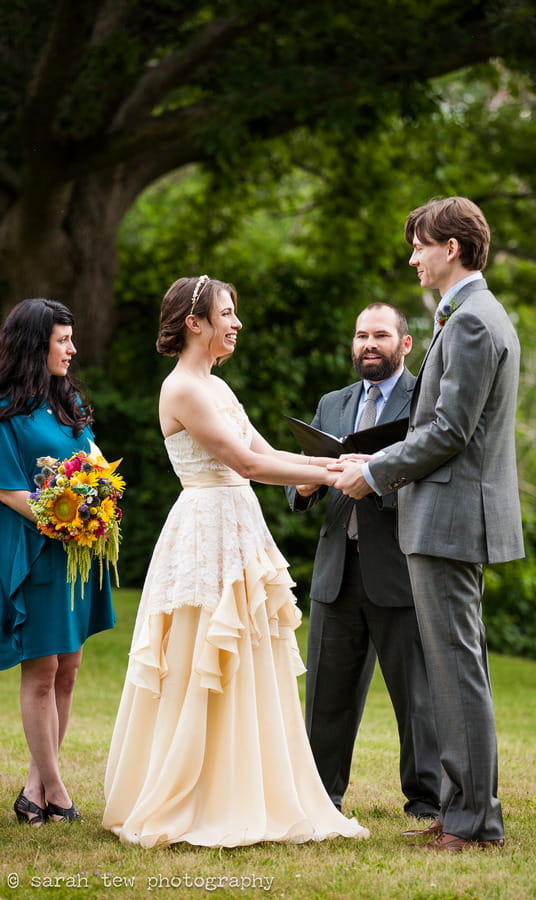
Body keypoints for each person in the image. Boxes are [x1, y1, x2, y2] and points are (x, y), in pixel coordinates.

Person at [102, 275, 368, 848]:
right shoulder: (184, 389)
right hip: (204, 531)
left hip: (238, 525)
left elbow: (266, 452)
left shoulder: (217, 388)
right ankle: (196, 795)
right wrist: (334, 473)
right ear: (194, 323)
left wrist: (336, 464)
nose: (237, 323)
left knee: (245, 652)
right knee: (202, 653)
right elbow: (245, 463)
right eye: (227, 312)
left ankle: (244, 785)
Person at [332, 197, 524, 852]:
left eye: (420, 244)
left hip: (447, 519)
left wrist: (376, 471)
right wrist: (375, 456)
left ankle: (476, 823)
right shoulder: (468, 315)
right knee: (449, 670)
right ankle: (460, 809)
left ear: (453, 248)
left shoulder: (472, 321)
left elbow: (448, 431)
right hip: (442, 517)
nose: (412, 257)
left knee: (457, 670)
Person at [286, 303, 440, 820]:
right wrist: (303, 485)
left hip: (401, 565)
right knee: (326, 695)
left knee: (415, 697)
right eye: (360, 336)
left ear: (405, 344)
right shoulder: (333, 402)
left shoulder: (427, 399)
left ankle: (425, 799)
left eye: (379, 335)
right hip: (337, 569)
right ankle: (321, 797)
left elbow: (434, 468)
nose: (368, 344)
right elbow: (300, 475)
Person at [0, 298, 116, 826]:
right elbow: (9, 492)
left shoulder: (65, 403)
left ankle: (33, 787)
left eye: (71, 339)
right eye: (62, 340)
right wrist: (65, 520)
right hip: (37, 552)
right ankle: (58, 790)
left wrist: (96, 508)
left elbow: (91, 466)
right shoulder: (7, 412)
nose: (72, 349)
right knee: (42, 671)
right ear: (35, 344)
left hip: (77, 554)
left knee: (69, 670)